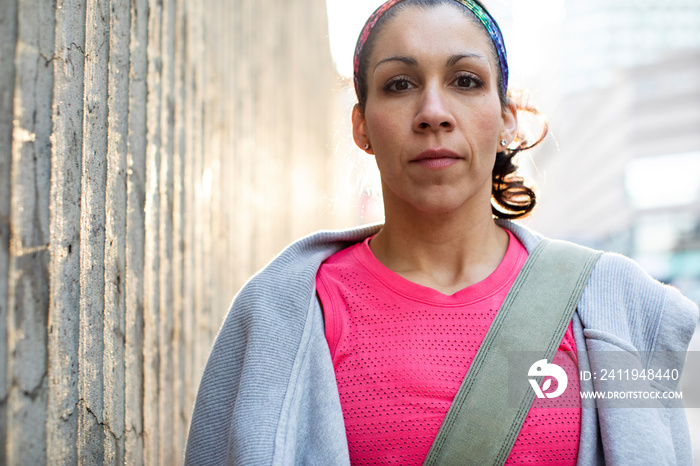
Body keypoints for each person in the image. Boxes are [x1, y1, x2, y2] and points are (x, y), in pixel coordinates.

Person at [184, 0, 699, 464]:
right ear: (361, 126)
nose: (433, 113)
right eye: (400, 84)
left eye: (466, 81)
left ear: (505, 120)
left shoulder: (613, 307)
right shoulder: (281, 312)